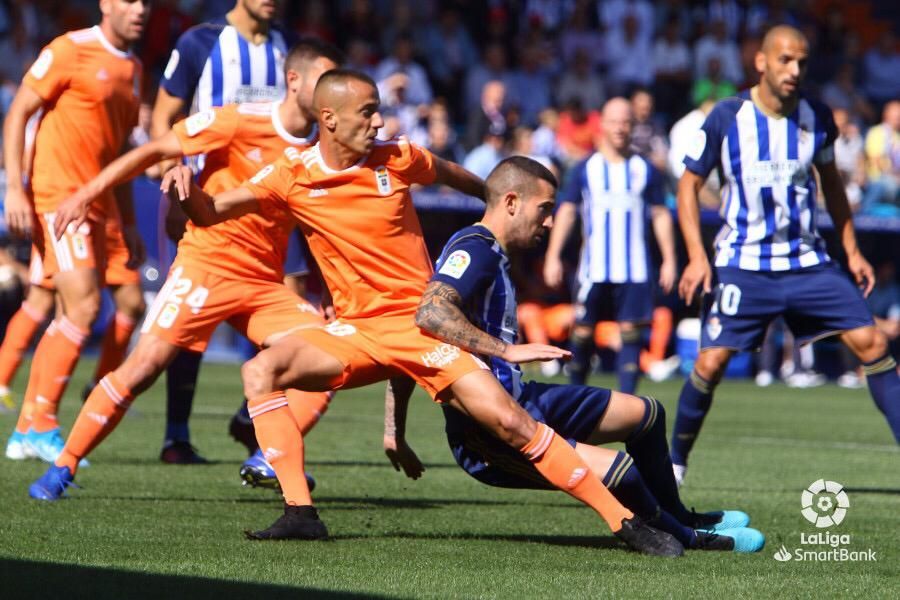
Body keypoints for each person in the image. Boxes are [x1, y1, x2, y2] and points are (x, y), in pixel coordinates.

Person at [153, 69, 680, 555]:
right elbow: (209, 211)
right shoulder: (290, 174)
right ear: (329, 118)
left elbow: (461, 178)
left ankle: (623, 522)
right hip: (356, 332)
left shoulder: (398, 157)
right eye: (368, 112)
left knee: (511, 421)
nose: (379, 122)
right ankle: (300, 512)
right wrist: (185, 189)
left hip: (422, 327)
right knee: (260, 371)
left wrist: (505, 204)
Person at [398, 156, 763, 553]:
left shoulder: (490, 251)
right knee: (622, 472)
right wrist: (506, 349)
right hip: (489, 433)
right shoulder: (476, 250)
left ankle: (681, 516)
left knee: (647, 415)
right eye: (544, 209)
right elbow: (430, 312)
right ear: (511, 202)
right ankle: (689, 538)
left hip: (523, 399)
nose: (550, 222)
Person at [28, 40, 343, 494]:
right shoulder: (240, 119)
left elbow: (323, 226)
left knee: (332, 356)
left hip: (263, 282)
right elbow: (154, 150)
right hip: (205, 267)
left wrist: (331, 289)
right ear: (294, 81)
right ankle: (63, 466)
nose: (333, 93)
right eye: (324, 81)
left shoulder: (321, 150)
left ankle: (267, 458)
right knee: (144, 366)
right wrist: (86, 194)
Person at [670, 26, 900, 486]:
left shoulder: (817, 116)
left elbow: (832, 185)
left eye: (802, 62)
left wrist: (852, 250)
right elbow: (687, 186)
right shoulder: (726, 117)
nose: (795, 70)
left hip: (806, 262)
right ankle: (673, 465)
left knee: (874, 345)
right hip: (743, 264)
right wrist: (696, 255)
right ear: (761, 62)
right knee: (710, 363)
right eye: (785, 60)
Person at [1, 0, 149, 463]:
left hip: (101, 204)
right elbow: (19, 112)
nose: (140, 9)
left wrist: (128, 223)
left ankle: (29, 427)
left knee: (96, 304)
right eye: (130, 0)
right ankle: (42, 423)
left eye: (146, 2)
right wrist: (15, 188)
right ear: (105, 4)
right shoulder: (70, 49)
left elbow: (121, 152)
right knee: (80, 305)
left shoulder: (134, 69)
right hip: (58, 197)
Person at [150, 0, 290, 463]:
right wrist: (175, 188)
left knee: (279, 316)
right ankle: (175, 436)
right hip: (205, 203)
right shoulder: (201, 42)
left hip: (269, 211)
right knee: (192, 318)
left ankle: (254, 421)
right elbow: (163, 118)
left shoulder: (286, 48)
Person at [544, 98, 676, 394]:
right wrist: (553, 255)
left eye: (626, 122)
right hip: (594, 268)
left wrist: (669, 259)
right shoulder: (585, 168)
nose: (620, 128)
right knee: (583, 331)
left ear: (633, 126)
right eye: (614, 122)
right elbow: (567, 211)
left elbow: (660, 214)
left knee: (631, 331)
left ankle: (628, 404)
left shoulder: (645, 169)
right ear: (602, 125)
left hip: (634, 268)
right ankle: (574, 397)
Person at [4, 215, 145, 461]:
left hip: (107, 215)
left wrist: (129, 223)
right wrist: (19, 192)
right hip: (65, 210)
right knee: (63, 305)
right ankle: (36, 424)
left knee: (131, 303)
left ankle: (99, 391)